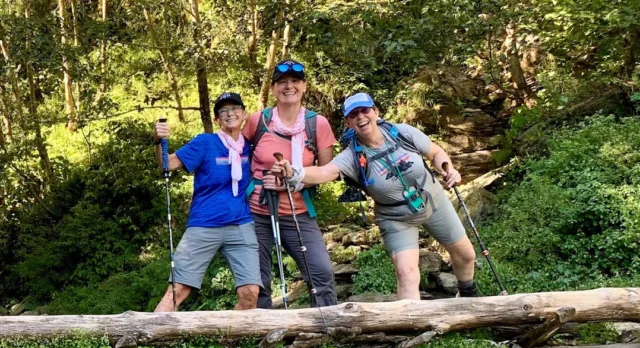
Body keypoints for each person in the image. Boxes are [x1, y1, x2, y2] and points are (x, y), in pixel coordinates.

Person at [271, 92, 479, 299]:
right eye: (354, 115)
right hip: (396, 218)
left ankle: (468, 295)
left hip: (433, 202)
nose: (361, 117)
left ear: (376, 112)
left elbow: (435, 153)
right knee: (406, 273)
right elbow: (326, 172)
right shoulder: (352, 156)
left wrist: (448, 169)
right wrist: (294, 172)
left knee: (466, 255)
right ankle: (412, 322)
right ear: (348, 122)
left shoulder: (402, 133)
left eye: (365, 110)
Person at [153, 92, 262, 312]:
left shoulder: (250, 147)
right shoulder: (205, 142)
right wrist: (158, 141)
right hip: (204, 224)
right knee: (178, 290)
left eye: (235, 109)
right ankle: (148, 337)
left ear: (244, 114)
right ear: (217, 119)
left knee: (250, 292)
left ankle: (233, 340)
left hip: (240, 223)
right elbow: (166, 164)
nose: (230, 113)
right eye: (223, 111)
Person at [242, 59, 338, 308]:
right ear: (273, 88)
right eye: (282, 82)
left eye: (295, 81)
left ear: (304, 86)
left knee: (321, 271)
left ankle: (327, 330)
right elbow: (237, 156)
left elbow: (328, 171)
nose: (289, 86)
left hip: (298, 210)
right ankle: (263, 334)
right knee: (258, 279)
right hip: (257, 211)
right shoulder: (258, 121)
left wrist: (294, 175)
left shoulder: (317, 124)